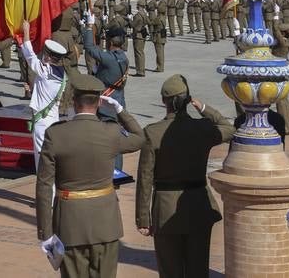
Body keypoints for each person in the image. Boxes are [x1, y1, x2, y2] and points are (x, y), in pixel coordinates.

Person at [36, 72, 144, 278]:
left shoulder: (56, 134)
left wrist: (45, 232)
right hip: (106, 224)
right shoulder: (111, 132)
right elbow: (140, 138)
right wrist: (120, 110)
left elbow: (43, 186)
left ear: (74, 102)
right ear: (99, 103)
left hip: (70, 224)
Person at [135, 74, 235, 278]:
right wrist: (205, 108)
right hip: (198, 204)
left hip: (165, 208)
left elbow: (145, 178)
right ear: (188, 100)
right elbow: (228, 128)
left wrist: (143, 217)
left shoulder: (153, 133)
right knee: (198, 269)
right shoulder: (202, 128)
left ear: (164, 102)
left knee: (170, 270)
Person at [83, 15, 129, 172]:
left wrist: (89, 26)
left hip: (107, 102)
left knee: (106, 138)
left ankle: (109, 171)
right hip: (118, 100)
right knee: (115, 138)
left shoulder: (109, 58)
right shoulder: (123, 57)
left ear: (109, 42)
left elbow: (89, 48)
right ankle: (117, 170)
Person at [19, 20, 67, 170]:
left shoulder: (45, 71)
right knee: (52, 162)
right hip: (54, 120)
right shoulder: (62, 74)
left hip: (42, 122)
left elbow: (30, 55)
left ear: (47, 57)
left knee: (42, 163)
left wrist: (26, 32)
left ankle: (46, 193)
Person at [132, 1, 148, 77]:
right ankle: (141, 70)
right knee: (141, 53)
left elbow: (133, 24)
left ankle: (140, 71)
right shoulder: (144, 14)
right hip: (142, 34)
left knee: (138, 53)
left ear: (139, 6)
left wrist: (129, 19)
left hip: (138, 35)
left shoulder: (138, 15)